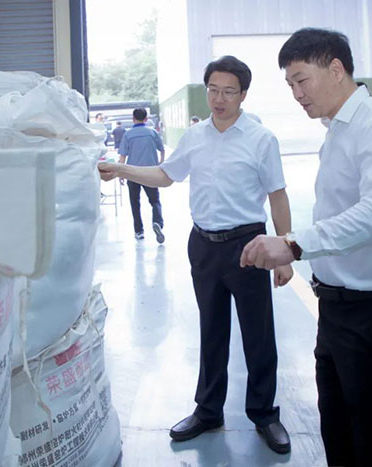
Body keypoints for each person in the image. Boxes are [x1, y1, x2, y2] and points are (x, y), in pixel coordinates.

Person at [240, 28, 372, 465]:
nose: (296, 94)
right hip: (340, 309)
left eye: (302, 80)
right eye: (290, 85)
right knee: (340, 432)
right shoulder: (338, 129)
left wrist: (293, 245)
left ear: (336, 69)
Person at [100, 55, 294, 454]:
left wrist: (285, 251)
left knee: (258, 333)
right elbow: (166, 175)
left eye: (228, 92)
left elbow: (277, 195)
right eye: (212, 90)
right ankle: (208, 411)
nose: (219, 99)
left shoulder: (261, 139)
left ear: (243, 95)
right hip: (203, 244)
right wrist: (122, 170)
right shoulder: (195, 137)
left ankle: (264, 414)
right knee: (211, 329)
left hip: (248, 244)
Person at [117, 107, 166, 242]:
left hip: (132, 173)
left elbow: (122, 156)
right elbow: (162, 149)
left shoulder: (128, 135)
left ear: (133, 119)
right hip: (150, 172)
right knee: (155, 201)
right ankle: (157, 222)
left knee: (135, 202)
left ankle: (139, 231)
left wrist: (121, 173)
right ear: (146, 119)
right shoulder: (152, 133)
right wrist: (160, 163)